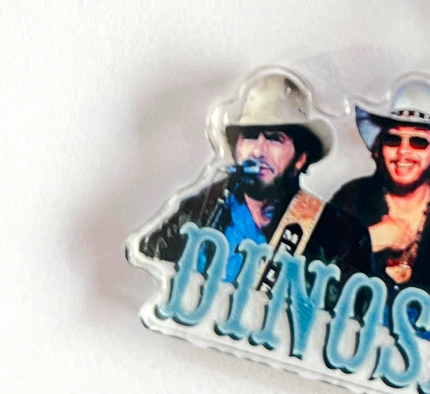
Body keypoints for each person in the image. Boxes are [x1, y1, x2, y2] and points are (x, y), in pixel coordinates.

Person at [139, 71, 372, 291]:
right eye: (250, 137)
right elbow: (148, 263)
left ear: (301, 158)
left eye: (275, 139)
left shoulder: (339, 236)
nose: (258, 151)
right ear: (236, 148)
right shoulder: (197, 212)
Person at [328, 80, 430, 295]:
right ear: (381, 147)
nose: (403, 151)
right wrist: (374, 238)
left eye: (419, 141)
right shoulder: (353, 195)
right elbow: (316, 260)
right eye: (393, 139)